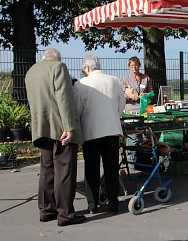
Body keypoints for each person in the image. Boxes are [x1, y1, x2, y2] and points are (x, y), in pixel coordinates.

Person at [25, 48, 86, 226]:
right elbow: (64, 97)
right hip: (60, 127)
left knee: (47, 169)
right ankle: (65, 214)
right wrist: (69, 127)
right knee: (64, 170)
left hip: (40, 128)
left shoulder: (31, 71)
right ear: (57, 58)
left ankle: (46, 210)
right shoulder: (59, 67)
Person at [73, 55, 126, 214]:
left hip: (90, 131)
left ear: (87, 68)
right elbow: (121, 105)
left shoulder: (81, 84)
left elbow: (77, 109)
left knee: (91, 169)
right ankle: (113, 203)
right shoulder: (114, 80)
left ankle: (92, 204)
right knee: (111, 169)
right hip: (112, 130)